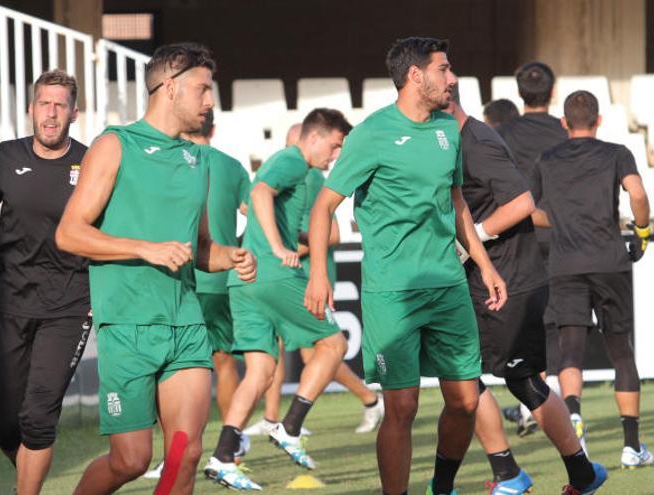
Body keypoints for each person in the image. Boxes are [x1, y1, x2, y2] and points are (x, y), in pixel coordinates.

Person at [304, 37, 507, 495]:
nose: (452, 78)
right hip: (392, 291)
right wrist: (319, 272)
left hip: (449, 284)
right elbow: (323, 207)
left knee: (466, 400)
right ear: (416, 76)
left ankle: (442, 486)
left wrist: (485, 264)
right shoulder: (370, 135)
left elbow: (456, 203)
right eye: (444, 69)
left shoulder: (447, 131)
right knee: (403, 405)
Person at [55, 42, 257, 495]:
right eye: (202, 90)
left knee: (185, 453)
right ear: (170, 87)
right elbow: (69, 233)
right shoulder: (114, 145)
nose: (210, 101)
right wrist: (145, 249)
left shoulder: (199, 160)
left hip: (186, 325)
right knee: (131, 460)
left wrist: (232, 256)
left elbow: (200, 248)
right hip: (127, 326)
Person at [446, 86, 607, 495]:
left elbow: (521, 203)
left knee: (489, 379)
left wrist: (474, 239)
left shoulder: (476, 142)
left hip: (507, 279)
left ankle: (516, 475)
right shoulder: (456, 141)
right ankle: (575, 474)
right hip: (496, 277)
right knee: (491, 379)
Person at [203, 108, 351, 490]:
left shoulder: (298, 170)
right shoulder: (293, 161)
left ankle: (222, 457)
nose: (334, 156)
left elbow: (270, 210)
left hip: (244, 279)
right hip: (272, 273)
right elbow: (258, 193)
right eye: (334, 146)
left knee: (259, 372)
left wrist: (294, 240)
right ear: (313, 137)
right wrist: (276, 247)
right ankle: (291, 426)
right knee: (333, 344)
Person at [532, 90, 652, 472]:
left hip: (565, 262)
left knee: (570, 347)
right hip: (609, 260)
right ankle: (631, 445)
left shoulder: (546, 158)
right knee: (620, 350)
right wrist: (644, 232)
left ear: (564, 123)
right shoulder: (616, 153)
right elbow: (637, 193)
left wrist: (564, 223)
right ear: (598, 120)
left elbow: (528, 210)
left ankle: (574, 417)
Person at [244, 123, 384, 439]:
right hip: (284, 276)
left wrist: (287, 250)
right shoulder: (288, 175)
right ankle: (271, 417)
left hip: (308, 277)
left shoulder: (314, 177)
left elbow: (332, 233)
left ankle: (370, 399)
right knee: (274, 345)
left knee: (321, 352)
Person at [0, 69, 91, 495]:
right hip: (11, 300)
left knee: (38, 414)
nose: (51, 114)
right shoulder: (5, 157)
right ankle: (26, 480)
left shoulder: (90, 162)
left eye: (60, 105)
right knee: (5, 423)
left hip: (69, 304)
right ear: (30, 109)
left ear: (73, 113)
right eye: (44, 104)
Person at [144, 108, 251, 480]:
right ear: (214, 128)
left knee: (169, 369)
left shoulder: (173, 161)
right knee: (223, 363)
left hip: (177, 276)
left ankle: (168, 453)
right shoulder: (232, 166)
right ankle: (227, 448)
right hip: (219, 278)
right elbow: (253, 210)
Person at [496, 62, 568, 436]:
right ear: (553, 93)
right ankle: (557, 408)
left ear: (519, 93)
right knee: (561, 327)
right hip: (563, 235)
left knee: (529, 324)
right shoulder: (565, 130)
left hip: (519, 236)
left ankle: (533, 406)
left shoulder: (500, 133)